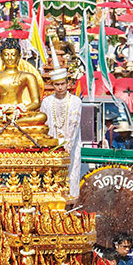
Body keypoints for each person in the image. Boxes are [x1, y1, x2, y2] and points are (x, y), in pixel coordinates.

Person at [40, 66, 82, 196]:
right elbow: (43, 125)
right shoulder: (47, 102)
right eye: (56, 84)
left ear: (67, 83)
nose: (60, 87)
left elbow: (73, 125)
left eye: (62, 84)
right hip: (52, 148)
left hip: (71, 147)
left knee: (71, 177)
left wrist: (67, 145)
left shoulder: (76, 101)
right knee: (51, 179)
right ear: (52, 85)